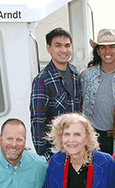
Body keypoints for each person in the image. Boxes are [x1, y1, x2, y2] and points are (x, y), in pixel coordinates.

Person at [80, 28, 115, 154]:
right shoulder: (86, 76)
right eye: (103, 47)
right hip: (93, 137)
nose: (107, 51)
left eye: (111, 46)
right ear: (98, 51)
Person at [30, 28, 82, 159]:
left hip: (76, 146)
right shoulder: (42, 79)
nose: (63, 50)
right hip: (55, 150)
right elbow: (37, 122)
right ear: (49, 48)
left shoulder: (74, 73)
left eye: (67, 45)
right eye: (58, 45)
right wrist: (45, 157)